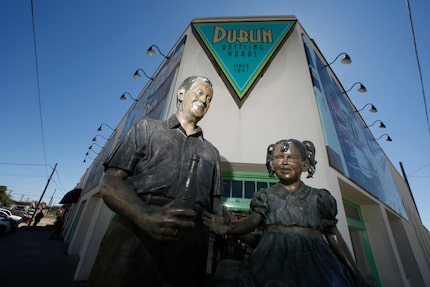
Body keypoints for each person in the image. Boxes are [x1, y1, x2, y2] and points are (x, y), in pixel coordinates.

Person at [89, 75, 223, 287]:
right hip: (132, 243)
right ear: (181, 93)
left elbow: (216, 208)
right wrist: (144, 215)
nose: (204, 100)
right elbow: (110, 182)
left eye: (209, 98)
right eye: (199, 92)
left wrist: (225, 221)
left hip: (186, 259)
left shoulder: (212, 153)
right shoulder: (146, 129)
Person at [204, 139, 375, 287]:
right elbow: (251, 222)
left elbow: (333, 235)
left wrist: (356, 274)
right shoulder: (266, 196)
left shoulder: (319, 198)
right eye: (279, 157)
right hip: (271, 260)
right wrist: (232, 227)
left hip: (316, 262)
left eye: (291, 157)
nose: (284, 162)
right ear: (272, 163)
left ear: (305, 164)